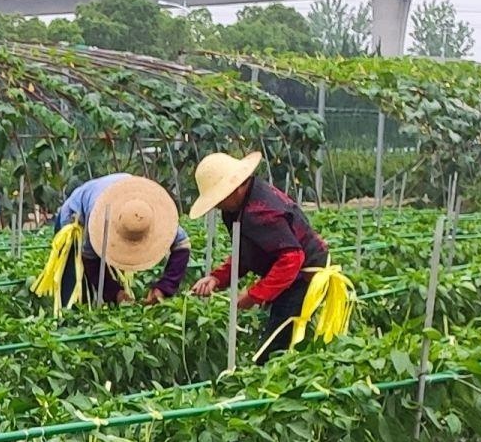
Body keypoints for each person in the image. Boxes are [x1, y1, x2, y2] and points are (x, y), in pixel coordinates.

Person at [185, 151, 336, 360]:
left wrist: (254, 295)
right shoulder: (239, 206)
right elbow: (248, 251)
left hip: (305, 277)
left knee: (273, 351)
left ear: (235, 187)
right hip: (293, 277)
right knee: (281, 341)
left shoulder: (260, 212)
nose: (216, 205)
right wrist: (217, 278)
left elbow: (292, 258)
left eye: (218, 197)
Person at [38, 172, 188, 310]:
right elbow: (90, 259)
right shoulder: (98, 219)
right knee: (75, 290)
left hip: (120, 197)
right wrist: (115, 293)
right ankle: (68, 323)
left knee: (109, 289)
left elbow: (182, 245)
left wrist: (164, 288)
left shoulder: (150, 212)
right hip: (75, 218)